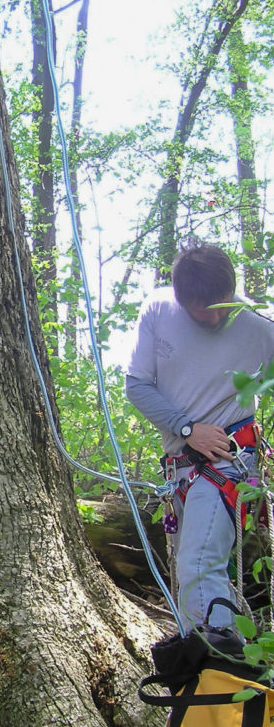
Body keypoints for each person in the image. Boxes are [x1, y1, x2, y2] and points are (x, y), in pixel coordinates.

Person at [125, 243, 274, 633]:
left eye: (222, 302)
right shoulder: (159, 311)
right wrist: (187, 428)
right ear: (181, 299)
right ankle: (216, 668)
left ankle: (215, 674)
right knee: (195, 569)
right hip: (180, 467)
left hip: (229, 462)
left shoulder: (259, 324)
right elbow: (137, 385)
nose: (215, 314)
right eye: (202, 308)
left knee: (199, 565)